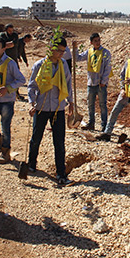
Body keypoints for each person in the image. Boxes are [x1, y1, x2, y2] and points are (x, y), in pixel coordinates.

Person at [27, 36, 74, 184]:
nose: (61, 54)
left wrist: (71, 102)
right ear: (51, 48)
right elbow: (32, 86)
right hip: (41, 107)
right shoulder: (39, 65)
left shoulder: (63, 66)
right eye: (59, 50)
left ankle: (61, 174)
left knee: (59, 142)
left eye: (63, 51)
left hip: (58, 108)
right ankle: (31, 164)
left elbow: (67, 84)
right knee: (36, 138)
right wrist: (32, 103)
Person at [74, 33, 112, 132]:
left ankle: (104, 126)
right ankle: (91, 123)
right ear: (91, 42)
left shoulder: (105, 53)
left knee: (102, 105)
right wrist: (75, 48)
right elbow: (77, 58)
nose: (98, 42)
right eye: (95, 41)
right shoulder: (89, 52)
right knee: (90, 104)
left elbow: (108, 68)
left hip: (100, 84)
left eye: (98, 40)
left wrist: (104, 81)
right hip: (91, 83)